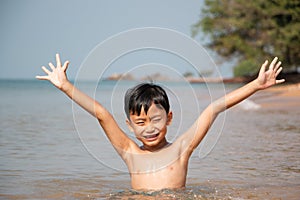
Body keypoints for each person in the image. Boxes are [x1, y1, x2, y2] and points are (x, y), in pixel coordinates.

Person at [36, 54, 285, 190]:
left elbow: (214, 108)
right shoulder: (130, 152)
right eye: (140, 122)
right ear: (130, 125)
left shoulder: (181, 149)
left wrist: (256, 85)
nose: (150, 127)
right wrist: (67, 87)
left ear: (169, 118)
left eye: (156, 119)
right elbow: (102, 114)